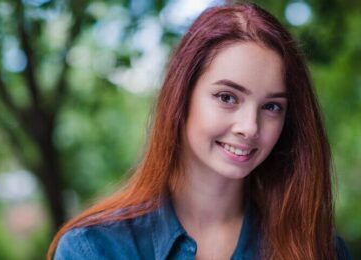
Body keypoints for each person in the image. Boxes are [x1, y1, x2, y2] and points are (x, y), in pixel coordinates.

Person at [48, 2, 352, 259]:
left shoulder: (319, 248)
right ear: (181, 97)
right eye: (227, 97)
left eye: (272, 106)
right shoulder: (94, 248)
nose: (249, 127)